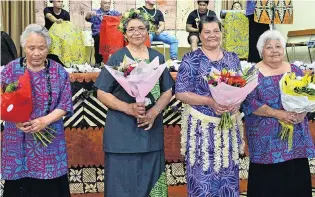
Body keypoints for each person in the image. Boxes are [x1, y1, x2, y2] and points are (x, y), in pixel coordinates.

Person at [94, 10, 174, 197]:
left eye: (141, 28)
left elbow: (168, 90)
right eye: (131, 29)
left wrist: (154, 111)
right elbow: (101, 92)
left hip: (150, 130)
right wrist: (128, 108)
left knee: (151, 180)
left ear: (148, 31)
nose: (136, 32)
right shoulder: (117, 58)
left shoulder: (157, 57)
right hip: (122, 132)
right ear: (124, 32)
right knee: (122, 185)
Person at [1, 24, 73, 197]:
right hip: (17, 140)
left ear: (48, 48)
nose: (36, 53)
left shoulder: (58, 71)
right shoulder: (11, 69)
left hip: (49, 141)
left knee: (48, 188)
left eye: (41, 48)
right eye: (31, 47)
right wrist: (15, 119)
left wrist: (44, 121)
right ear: (24, 46)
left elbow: (65, 104)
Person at [175, 16, 243, 197]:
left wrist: (237, 103)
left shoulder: (232, 58)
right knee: (202, 176)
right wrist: (210, 102)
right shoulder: (191, 59)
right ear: (200, 35)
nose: (212, 35)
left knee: (228, 175)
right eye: (207, 32)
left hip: (228, 128)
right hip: (201, 130)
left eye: (216, 31)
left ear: (221, 33)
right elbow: (181, 93)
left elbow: (242, 86)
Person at [242, 30, 315, 197]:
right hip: (265, 139)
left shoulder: (295, 69)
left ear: (283, 49)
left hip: (294, 137)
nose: (274, 50)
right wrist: (277, 114)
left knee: (295, 180)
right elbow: (249, 103)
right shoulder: (252, 73)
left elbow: (306, 95)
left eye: (278, 46)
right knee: (268, 184)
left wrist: (302, 112)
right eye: (269, 47)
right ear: (261, 51)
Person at [85, 0, 121, 65]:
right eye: (105, 3)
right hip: (98, 35)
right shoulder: (95, 12)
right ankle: (98, 62)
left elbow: (122, 16)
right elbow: (87, 18)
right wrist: (89, 14)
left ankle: (117, 62)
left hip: (110, 35)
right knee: (99, 37)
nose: (107, 5)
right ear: (101, 4)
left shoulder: (114, 13)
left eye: (109, 3)